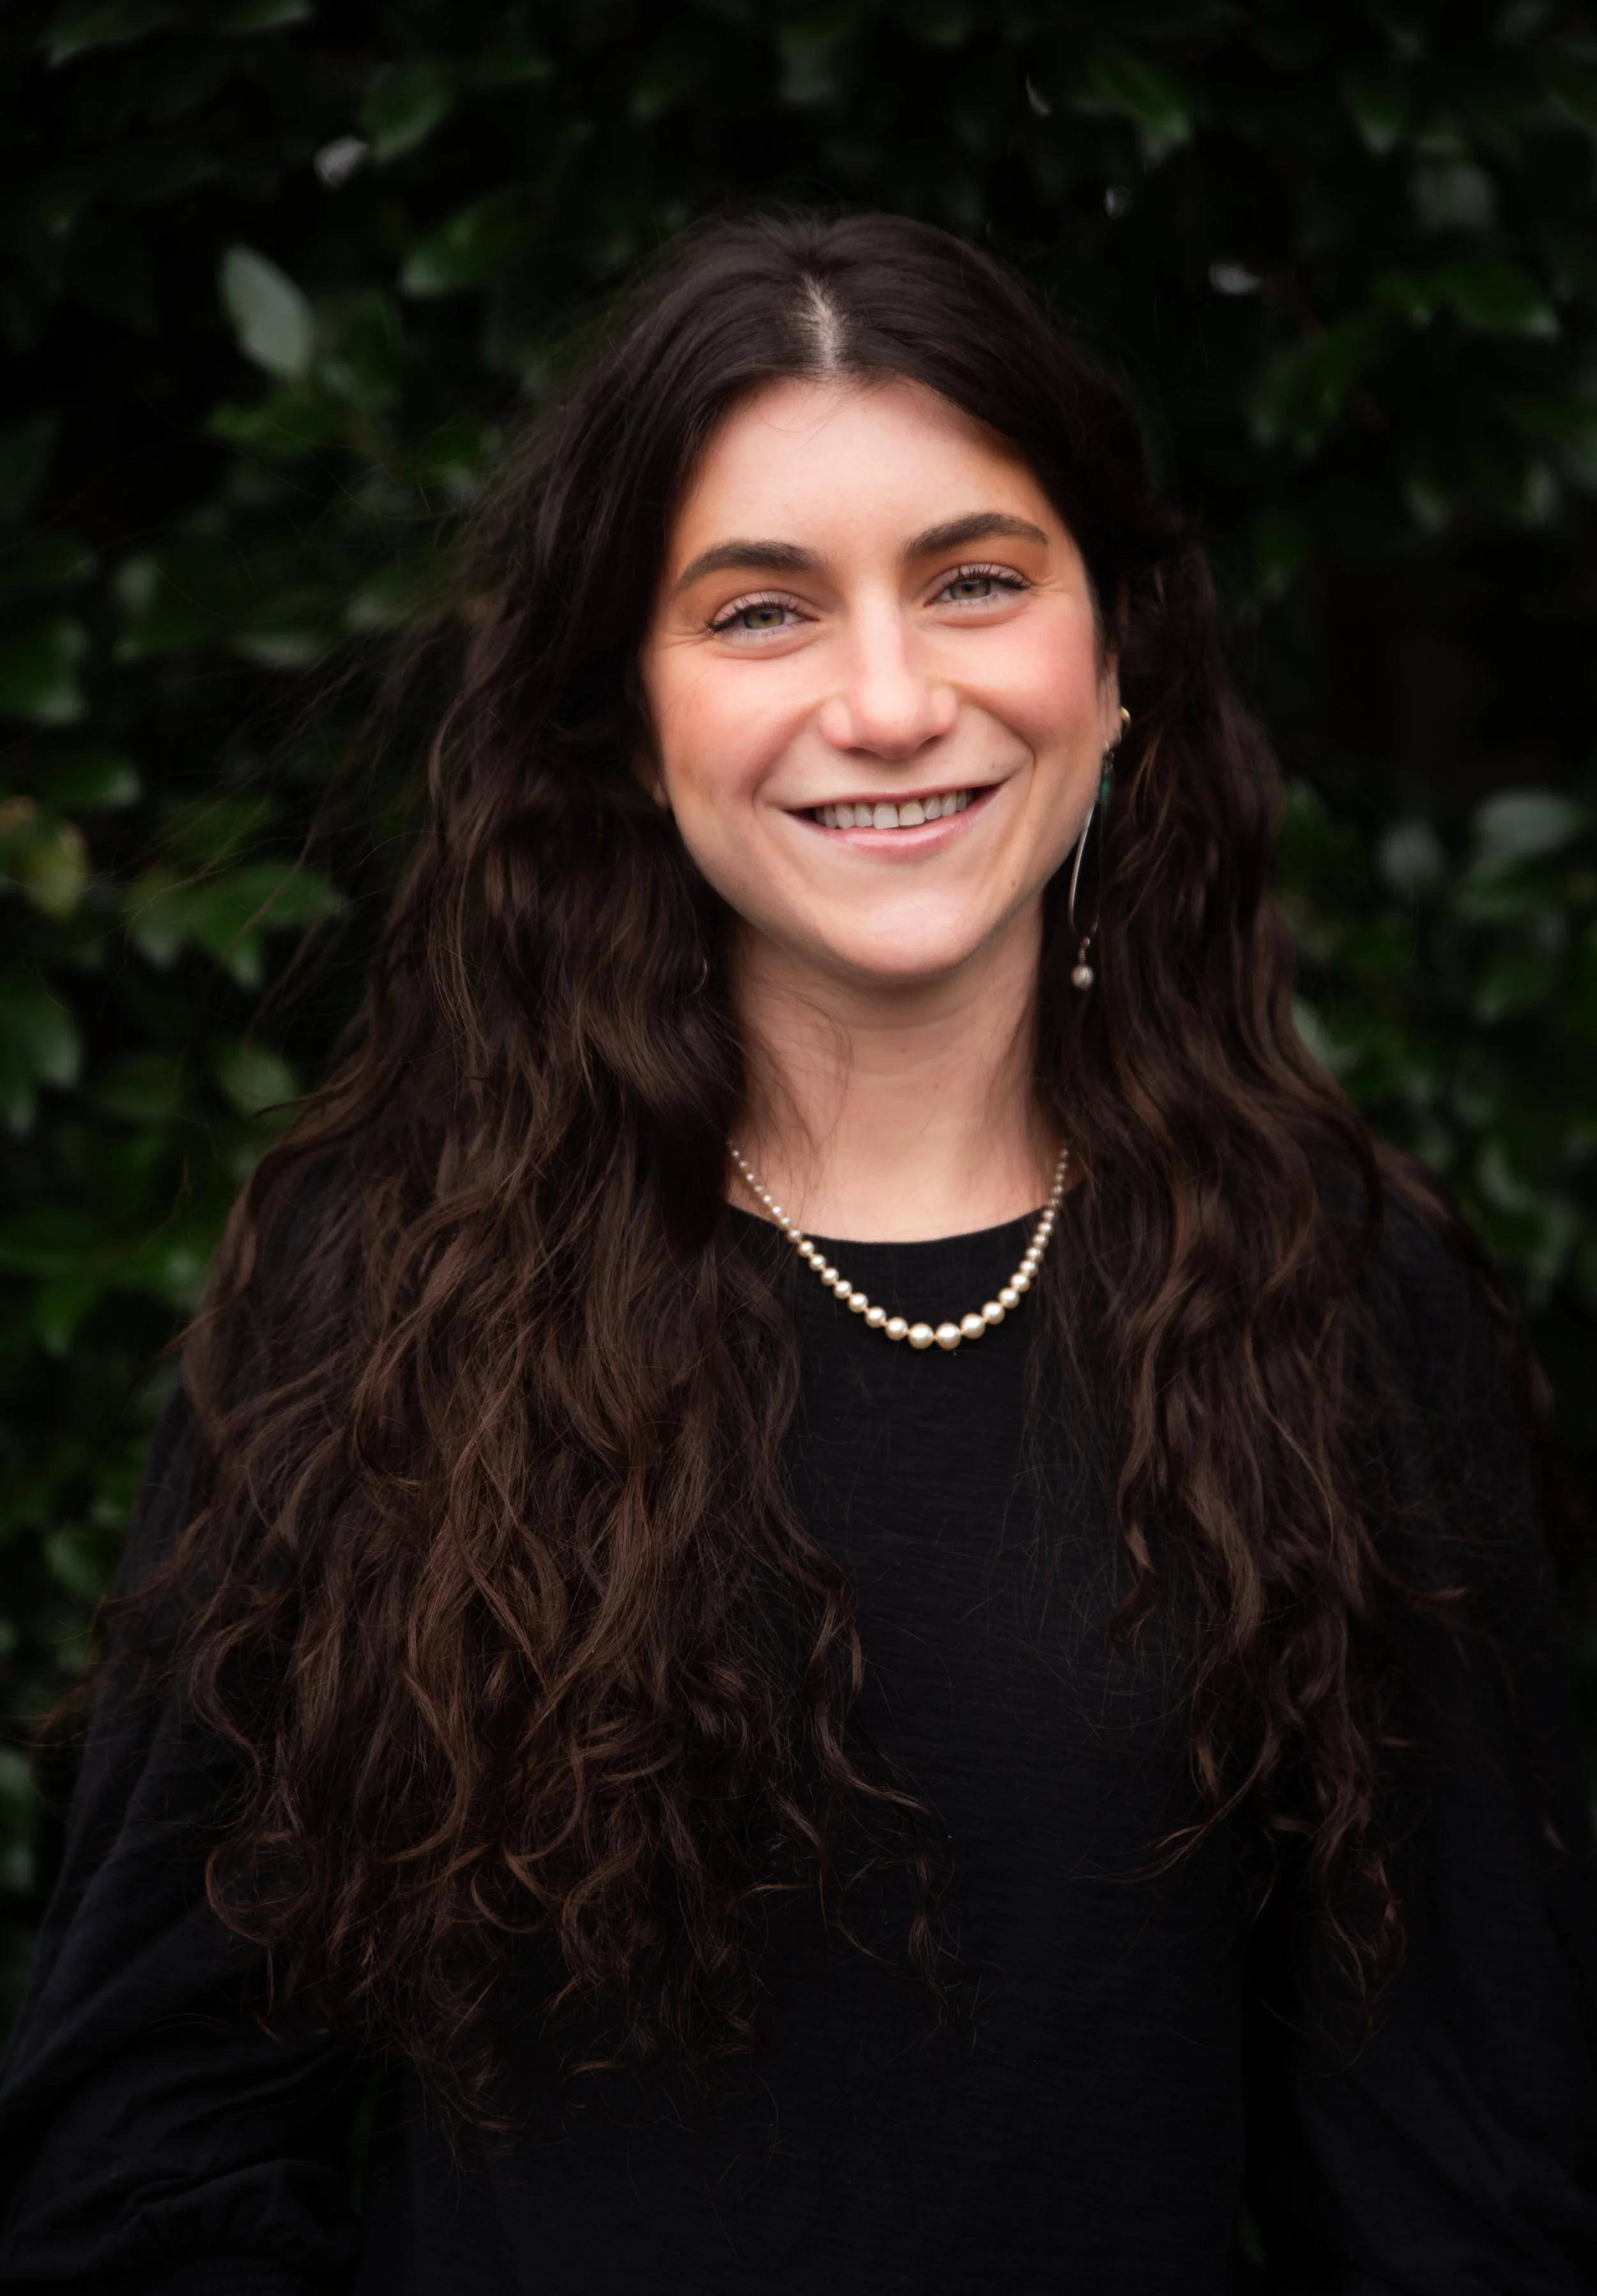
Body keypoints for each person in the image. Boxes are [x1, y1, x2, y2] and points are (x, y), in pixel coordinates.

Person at [1, 210, 1593, 2296]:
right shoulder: (379, 1280)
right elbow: (146, 2163)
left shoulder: (1328, 1303)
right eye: (759, 611)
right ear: (619, 714)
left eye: (976, 582)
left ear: (1113, 666)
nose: (885, 698)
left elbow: (1458, 2203)